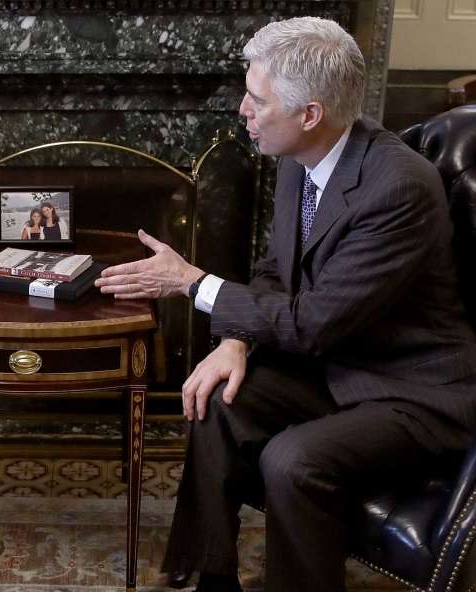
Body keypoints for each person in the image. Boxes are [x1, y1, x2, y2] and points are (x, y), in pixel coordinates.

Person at [96, 17, 476, 592]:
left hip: (413, 393)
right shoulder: (302, 154)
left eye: (256, 100)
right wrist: (233, 342)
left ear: (310, 113)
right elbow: (278, 269)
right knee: (218, 398)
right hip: (340, 363)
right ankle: (211, 579)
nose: (243, 111)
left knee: (292, 460)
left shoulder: (399, 188)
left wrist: (192, 283)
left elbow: (312, 324)